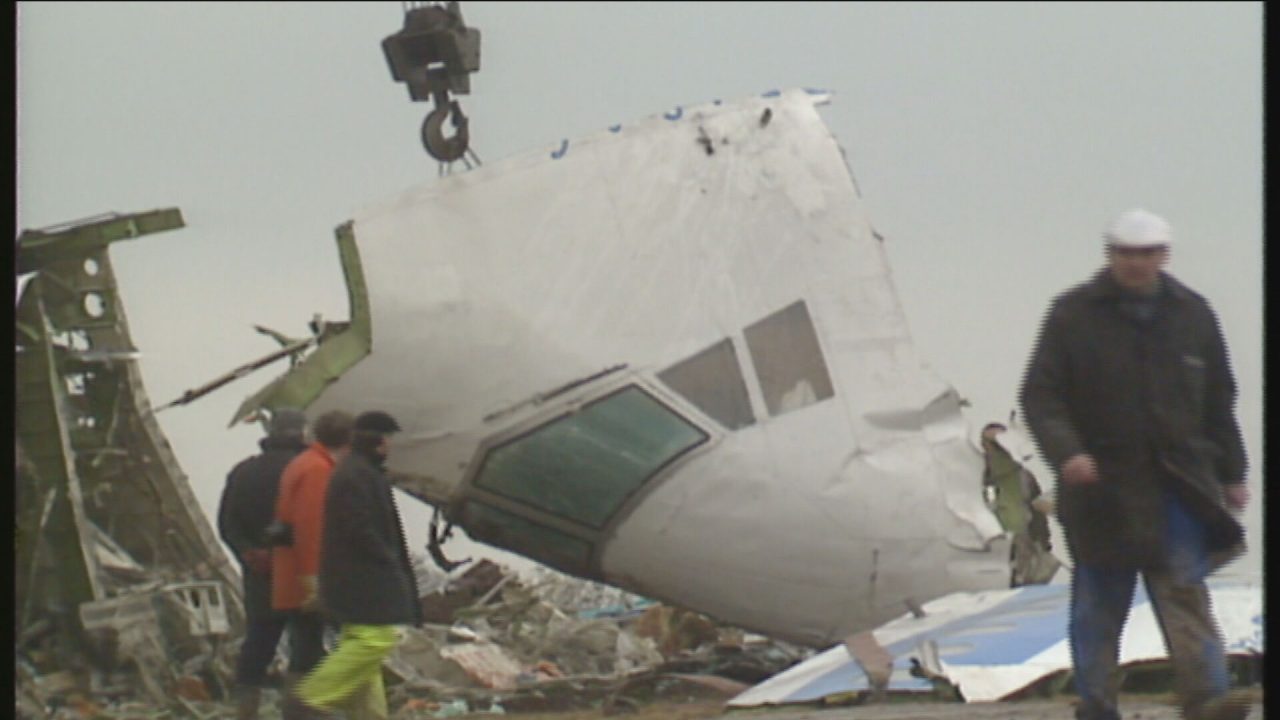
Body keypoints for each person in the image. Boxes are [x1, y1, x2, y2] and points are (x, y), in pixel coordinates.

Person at [1019, 208, 1250, 720]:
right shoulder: (1072, 316)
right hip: (1103, 489)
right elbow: (1042, 396)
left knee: (1184, 593)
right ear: (1111, 255)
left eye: (1146, 254)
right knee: (1100, 602)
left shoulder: (1193, 315)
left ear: (1163, 256)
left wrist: (1234, 473)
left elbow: (1218, 400)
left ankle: (1208, 698)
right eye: (1127, 253)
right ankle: (1097, 703)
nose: (1137, 264)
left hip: (1180, 485)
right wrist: (1069, 453)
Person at [285, 410, 422, 720]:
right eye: (387, 438)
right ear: (375, 441)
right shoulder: (355, 475)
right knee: (375, 639)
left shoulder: (357, 471)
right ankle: (313, 695)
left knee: (361, 650)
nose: (390, 444)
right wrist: (386, 559)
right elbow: (358, 526)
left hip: (353, 576)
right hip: (362, 578)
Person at [217, 408, 308, 720]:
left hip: (260, 574)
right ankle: (298, 712)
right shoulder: (311, 471)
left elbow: (228, 523)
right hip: (302, 573)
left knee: (258, 641)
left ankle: (244, 711)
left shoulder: (243, 472)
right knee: (306, 643)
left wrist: (249, 552)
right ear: (301, 434)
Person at [271, 409, 354, 689]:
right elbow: (311, 529)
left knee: (306, 650)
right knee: (358, 642)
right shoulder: (318, 471)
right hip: (311, 580)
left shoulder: (306, 464)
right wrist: (315, 583)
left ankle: (305, 709)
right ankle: (312, 709)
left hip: (296, 577)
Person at [979, 421, 1057, 586]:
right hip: (994, 540)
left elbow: (1036, 512)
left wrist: (1042, 542)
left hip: (1020, 539)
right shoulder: (978, 472)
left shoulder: (1023, 474)